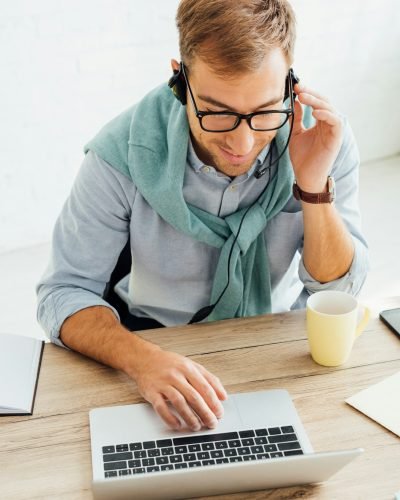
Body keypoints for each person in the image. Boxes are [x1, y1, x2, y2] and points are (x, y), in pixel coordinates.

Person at [36, 0, 368, 432]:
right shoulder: (119, 155)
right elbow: (63, 292)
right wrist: (143, 360)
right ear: (179, 79)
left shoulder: (323, 137)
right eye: (217, 112)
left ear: (290, 82)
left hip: (280, 342)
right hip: (154, 341)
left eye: (265, 111)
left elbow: (339, 291)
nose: (244, 142)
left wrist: (313, 186)